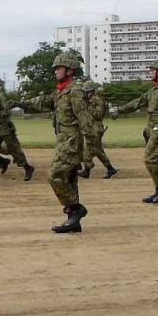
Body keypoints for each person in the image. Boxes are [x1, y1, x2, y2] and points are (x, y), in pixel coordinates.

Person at [21, 53, 94, 233]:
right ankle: (73, 221)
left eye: (59, 68)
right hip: (63, 141)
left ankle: (76, 209)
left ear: (69, 70)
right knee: (69, 178)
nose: (55, 71)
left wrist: (88, 154)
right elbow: (45, 101)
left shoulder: (75, 91)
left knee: (54, 175)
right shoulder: (61, 90)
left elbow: (86, 122)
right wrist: (21, 103)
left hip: (71, 142)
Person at [118, 59, 158, 204]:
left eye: (153, 70)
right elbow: (139, 102)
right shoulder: (153, 90)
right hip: (151, 128)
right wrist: (120, 110)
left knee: (149, 158)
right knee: (156, 160)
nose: (150, 72)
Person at [0, 76, 33, 181]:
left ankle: (28, 168)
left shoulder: (1, 97)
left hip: (5, 128)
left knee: (15, 150)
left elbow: (7, 112)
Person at [80, 82, 118, 180]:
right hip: (90, 128)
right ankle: (89, 170)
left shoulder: (98, 101)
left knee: (94, 150)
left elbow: (98, 114)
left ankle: (106, 169)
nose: (85, 94)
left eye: (87, 92)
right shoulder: (88, 101)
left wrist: (88, 107)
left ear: (91, 91)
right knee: (92, 150)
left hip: (95, 129)